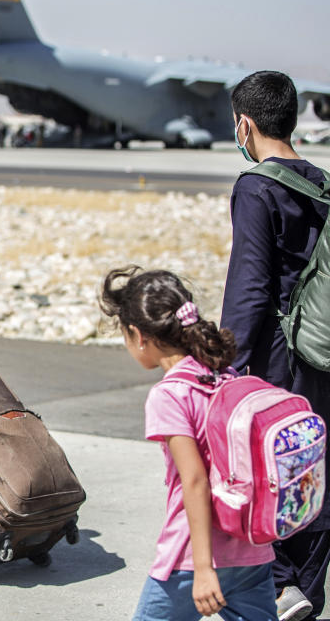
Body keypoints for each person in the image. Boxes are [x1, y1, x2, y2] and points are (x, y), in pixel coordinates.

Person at [100, 267, 278, 621]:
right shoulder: (223, 376)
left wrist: (203, 569)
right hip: (252, 550)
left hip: (191, 558)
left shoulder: (170, 395)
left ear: (138, 335)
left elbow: (195, 481)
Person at [220, 70, 330, 621]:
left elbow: (250, 286)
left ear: (246, 123)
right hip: (323, 354)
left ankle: (282, 590)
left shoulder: (256, 186)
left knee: (270, 470)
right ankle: (308, 587)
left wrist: (226, 366)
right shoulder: (322, 183)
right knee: (313, 469)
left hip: (277, 359)